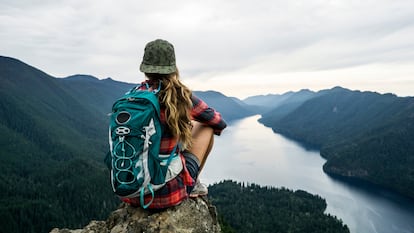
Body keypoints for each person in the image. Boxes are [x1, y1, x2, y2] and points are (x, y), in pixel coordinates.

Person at [120, 39, 227, 209]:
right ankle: (193, 184)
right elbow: (218, 122)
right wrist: (187, 120)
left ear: (145, 69)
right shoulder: (180, 96)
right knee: (206, 127)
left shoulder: (131, 97)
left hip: (132, 192)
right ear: (172, 68)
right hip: (168, 193)